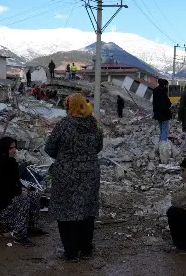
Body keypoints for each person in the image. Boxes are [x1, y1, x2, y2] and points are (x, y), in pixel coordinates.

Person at [45, 93, 103, 261]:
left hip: (66, 173)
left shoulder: (64, 124)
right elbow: (98, 147)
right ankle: (86, 249)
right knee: (87, 209)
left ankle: (71, 252)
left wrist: (65, 156)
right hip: (90, 173)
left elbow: (49, 148)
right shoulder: (94, 124)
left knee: (66, 211)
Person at [0, 137, 47, 247]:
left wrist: (22, 188)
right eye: (11, 148)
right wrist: (19, 191)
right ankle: (20, 235)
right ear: (4, 149)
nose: (14, 150)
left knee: (33, 194)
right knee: (23, 198)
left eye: (14, 147)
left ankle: (32, 227)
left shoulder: (11, 162)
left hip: (7, 199)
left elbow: (13, 182)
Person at [152, 78, 172, 143]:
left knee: (161, 129)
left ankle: (160, 142)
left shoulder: (155, 90)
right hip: (165, 113)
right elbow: (168, 103)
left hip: (157, 112)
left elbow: (154, 102)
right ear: (165, 85)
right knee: (164, 129)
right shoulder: (164, 91)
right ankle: (163, 145)